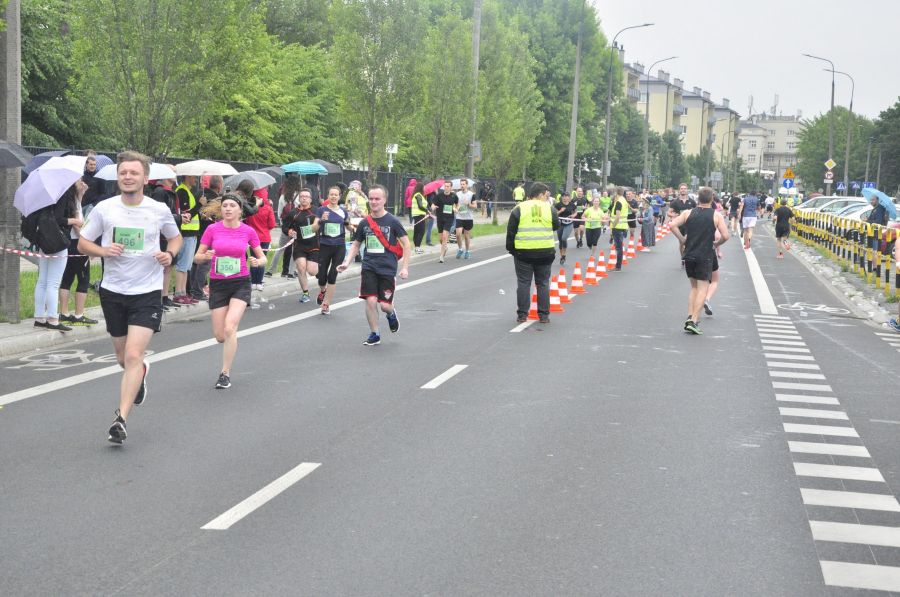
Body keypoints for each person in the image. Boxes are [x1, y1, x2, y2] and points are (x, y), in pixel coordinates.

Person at [78, 151, 183, 444]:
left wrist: (169, 254)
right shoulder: (104, 209)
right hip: (113, 291)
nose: (127, 177)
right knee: (124, 358)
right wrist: (104, 251)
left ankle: (120, 419)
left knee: (134, 354)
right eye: (123, 172)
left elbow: (175, 238)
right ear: (118, 176)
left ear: (145, 178)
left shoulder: (158, 210)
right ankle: (141, 372)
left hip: (147, 292)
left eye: (133, 173)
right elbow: (84, 242)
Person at [193, 193, 266, 389]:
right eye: (225, 205)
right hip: (218, 284)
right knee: (219, 335)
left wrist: (258, 261)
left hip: (240, 282)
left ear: (240, 210)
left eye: (232, 205)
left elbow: (262, 257)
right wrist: (205, 256)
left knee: (229, 327)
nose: (227, 209)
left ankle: (225, 373)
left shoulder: (248, 231)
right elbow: (197, 257)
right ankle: (230, 340)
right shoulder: (212, 229)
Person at [337, 184, 410, 345]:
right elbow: (356, 244)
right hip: (369, 266)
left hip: (387, 269)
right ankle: (374, 333)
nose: (374, 201)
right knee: (370, 300)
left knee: (384, 306)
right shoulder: (365, 223)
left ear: (384, 200)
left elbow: (406, 244)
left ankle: (391, 314)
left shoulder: (393, 221)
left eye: (377, 199)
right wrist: (346, 263)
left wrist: (404, 268)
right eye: (371, 198)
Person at [668, 187, 730, 335]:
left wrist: (683, 240)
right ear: (712, 198)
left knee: (694, 288)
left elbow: (671, 225)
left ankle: (691, 315)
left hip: (689, 254)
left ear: (697, 199)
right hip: (705, 255)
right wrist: (717, 244)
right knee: (703, 289)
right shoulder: (716, 215)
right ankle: (693, 320)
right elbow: (726, 236)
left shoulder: (688, 213)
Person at [33, 183, 86, 332]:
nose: (81, 181)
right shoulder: (63, 195)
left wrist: (79, 196)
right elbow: (58, 219)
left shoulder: (48, 193)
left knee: (43, 280)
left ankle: (39, 317)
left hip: (45, 241)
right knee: (53, 283)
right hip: (58, 242)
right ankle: (53, 319)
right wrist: (75, 221)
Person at [507, 183, 559, 323]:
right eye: (546, 195)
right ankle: (544, 315)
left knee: (524, 283)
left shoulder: (519, 208)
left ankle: (522, 315)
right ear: (541, 194)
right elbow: (556, 225)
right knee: (542, 283)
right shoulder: (550, 208)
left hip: (523, 252)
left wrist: (511, 249)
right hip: (545, 251)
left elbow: (511, 230)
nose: (547, 197)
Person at [58, 179, 98, 326]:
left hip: (69, 244)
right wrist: (89, 246)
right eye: (79, 180)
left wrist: (81, 194)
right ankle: (79, 314)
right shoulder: (72, 202)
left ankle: (64, 312)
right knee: (83, 279)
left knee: (67, 278)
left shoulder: (74, 199)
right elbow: (77, 226)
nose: (83, 182)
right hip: (77, 244)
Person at [313, 186, 354, 315]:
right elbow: (314, 228)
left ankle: (326, 304)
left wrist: (353, 228)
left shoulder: (343, 211)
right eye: (331, 194)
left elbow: (348, 226)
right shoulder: (321, 210)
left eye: (336, 195)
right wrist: (321, 221)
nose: (334, 197)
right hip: (325, 245)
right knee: (322, 277)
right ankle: (323, 290)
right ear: (328, 196)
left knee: (332, 275)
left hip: (339, 246)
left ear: (339, 196)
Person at [284, 188, 320, 303]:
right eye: (302, 196)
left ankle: (321, 273)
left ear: (310, 199)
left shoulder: (316, 211)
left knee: (312, 271)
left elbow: (321, 224)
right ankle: (305, 293)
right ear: (299, 198)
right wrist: (289, 231)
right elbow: (285, 227)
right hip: (299, 245)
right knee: (301, 267)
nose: (304, 198)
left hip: (314, 245)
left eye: (306, 196)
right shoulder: (293, 213)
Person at [173, 175, 201, 304]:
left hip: (192, 233)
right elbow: (186, 214)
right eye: (193, 177)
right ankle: (179, 293)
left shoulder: (187, 191)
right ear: (187, 177)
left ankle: (183, 292)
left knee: (187, 265)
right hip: (186, 232)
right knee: (183, 265)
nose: (195, 179)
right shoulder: (182, 191)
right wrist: (199, 205)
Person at [244, 186, 276, 290]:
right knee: (262, 259)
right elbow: (272, 224)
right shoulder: (268, 208)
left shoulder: (251, 209)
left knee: (253, 259)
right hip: (265, 237)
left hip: (252, 238)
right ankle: (259, 282)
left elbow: (247, 222)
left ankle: (253, 282)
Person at [432, 181, 458, 263]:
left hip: (449, 218)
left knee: (444, 236)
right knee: (441, 239)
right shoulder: (439, 196)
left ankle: (441, 256)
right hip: (440, 218)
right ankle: (445, 247)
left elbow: (457, 204)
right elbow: (433, 204)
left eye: (448, 186)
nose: (446, 187)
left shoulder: (454, 196)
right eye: (445, 186)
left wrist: (456, 209)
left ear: (451, 187)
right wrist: (433, 207)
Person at [608, 187, 630, 271]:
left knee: (618, 247)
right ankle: (618, 265)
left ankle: (618, 266)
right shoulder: (624, 200)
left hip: (617, 227)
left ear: (616, 193)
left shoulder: (619, 202)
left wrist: (613, 225)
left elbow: (617, 216)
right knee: (619, 247)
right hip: (623, 226)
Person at [454, 178, 477, 259]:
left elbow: (475, 206)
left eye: (464, 184)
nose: (462, 186)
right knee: (458, 234)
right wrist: (455, 209)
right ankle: (460, 249)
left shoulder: (471, 194)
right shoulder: (457, 194)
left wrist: (469, 204)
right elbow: (455, 204)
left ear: (467, 185)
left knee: (466, 236)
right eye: (461, 184)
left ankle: (467, 251)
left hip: (468, 218)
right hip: (459, 217)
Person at [554, 192, 576, 265]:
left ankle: (564, 254)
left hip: (569, 224)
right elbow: (554, 214)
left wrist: (573, 215)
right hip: (560, 224)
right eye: (564, 196)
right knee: (560, 240)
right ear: (562, 197)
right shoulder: (558, 205)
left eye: (567, 196)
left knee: (564, 238)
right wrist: (560, 211)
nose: (565, 198)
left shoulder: (572, 205)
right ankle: (562, 256)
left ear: (569, 197)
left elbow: (575, 213)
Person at [582, 195, 606, 260]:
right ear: (593, 202)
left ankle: (592, 255)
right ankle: (589, 245)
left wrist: (604, 220)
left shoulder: (600, 211)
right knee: (589, 242)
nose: (596, 202)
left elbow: (604, 219)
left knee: (595, 241)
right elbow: (583, 216)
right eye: (595, 201)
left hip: (597, 227)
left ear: (599, 203)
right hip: (589, 227)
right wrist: (586, 219)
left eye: (597, 201)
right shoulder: (588, 209)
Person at [410, 182, 430, 253]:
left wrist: (428, 209)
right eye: (423, 187)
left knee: (417, 231)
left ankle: (416, 247)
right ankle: (417, 247)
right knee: (421, 231)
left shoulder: (419, 195)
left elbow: (424, 205)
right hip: (420, 215)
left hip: (417, 215)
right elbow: (420, 206)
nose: (424, 188)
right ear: (421, 188)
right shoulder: (418, 195)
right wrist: (427, 210)